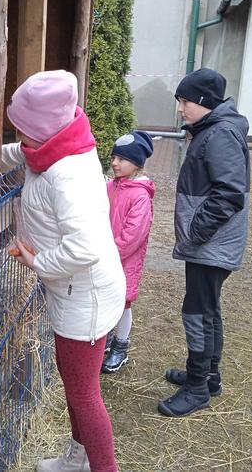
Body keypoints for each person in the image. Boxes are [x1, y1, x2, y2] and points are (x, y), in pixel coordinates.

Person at [0, 70, 124, 472]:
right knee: (76, 384)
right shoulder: (52, 145)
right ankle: (78, 460)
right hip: (73, 289)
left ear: (45, 129)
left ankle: (102, 468)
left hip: (84, 294)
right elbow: (13, 154)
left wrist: (37, 261)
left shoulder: (67, 174)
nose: (21, 139)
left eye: (25, 130)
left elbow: (84, 248)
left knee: (84, 394)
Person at [158, 67, 250, 417]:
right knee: (208, 309)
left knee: (196, 312)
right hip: (212, 242)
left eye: (184, 102)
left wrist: (195, 232)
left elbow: (229, 194)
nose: (181, 108)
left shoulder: (221, 135)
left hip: (211, 243)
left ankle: (197, 388)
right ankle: (208, 376)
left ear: (202, 101)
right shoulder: (213, 130)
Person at [101, 131, 155, 374]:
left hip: (123, 261)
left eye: (122, 159)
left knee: (122, 303)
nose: (115, 163)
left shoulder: (140, 196)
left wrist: (109, 254)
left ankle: (121, 346)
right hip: (105, 256)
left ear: (137, 164)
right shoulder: (110, 186)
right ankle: (107, 339)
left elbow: (133, 236)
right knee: (105, 299)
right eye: (114, 157)